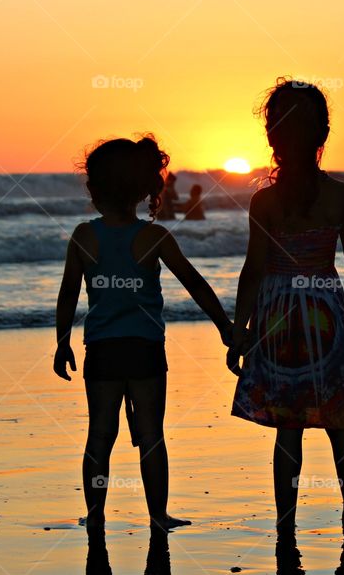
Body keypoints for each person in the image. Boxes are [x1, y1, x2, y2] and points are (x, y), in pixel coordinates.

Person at [54, 136, 233, 532]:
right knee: (152, 434)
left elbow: (68, 294)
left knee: (100, 434)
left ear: (97, 190)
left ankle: (96, 513)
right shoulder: (153, 237)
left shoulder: (84, 236)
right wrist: (225, 326)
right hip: (145, 349)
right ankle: (158, 514)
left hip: (102, 349)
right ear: (139, 190)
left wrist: (62, 341)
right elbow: (196, 283)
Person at [226, 78, 344, 531]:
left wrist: (240, 331)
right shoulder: (339, 196)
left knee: (287, 427)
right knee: (339, 421)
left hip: (277, 316)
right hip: (326, 310)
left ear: (273, 137)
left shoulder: (265, 201)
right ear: (323, 136)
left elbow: (253, 270)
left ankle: (286, 520)